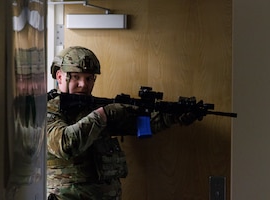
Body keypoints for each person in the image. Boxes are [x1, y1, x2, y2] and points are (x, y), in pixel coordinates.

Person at [46, 46, 196, 200]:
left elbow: (139, 124)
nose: (83, 84)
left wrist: (173, 116)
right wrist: (104, 114)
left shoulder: (94, 107)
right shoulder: (49, 110)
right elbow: (65, 145)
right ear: (59, 77)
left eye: (89, 78)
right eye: (76, 77)